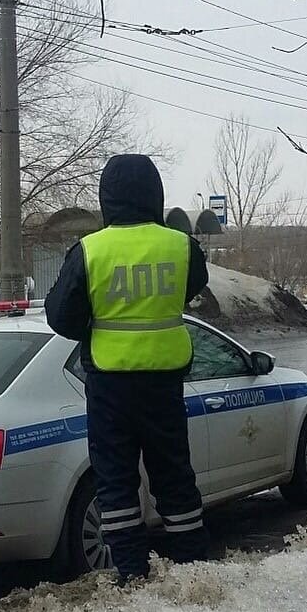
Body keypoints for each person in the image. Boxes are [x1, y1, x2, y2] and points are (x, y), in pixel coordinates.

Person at [45, 154, 209, 579]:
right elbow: (195, 286)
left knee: (116, 484)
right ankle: (191, 572)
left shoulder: (89, 250)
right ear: (154, 195)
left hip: (111, 387)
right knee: (174, 477)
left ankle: (132, 576)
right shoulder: (180, 245)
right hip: (165, 384)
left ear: (107, 198)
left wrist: (96, 323)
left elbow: (60, 317)